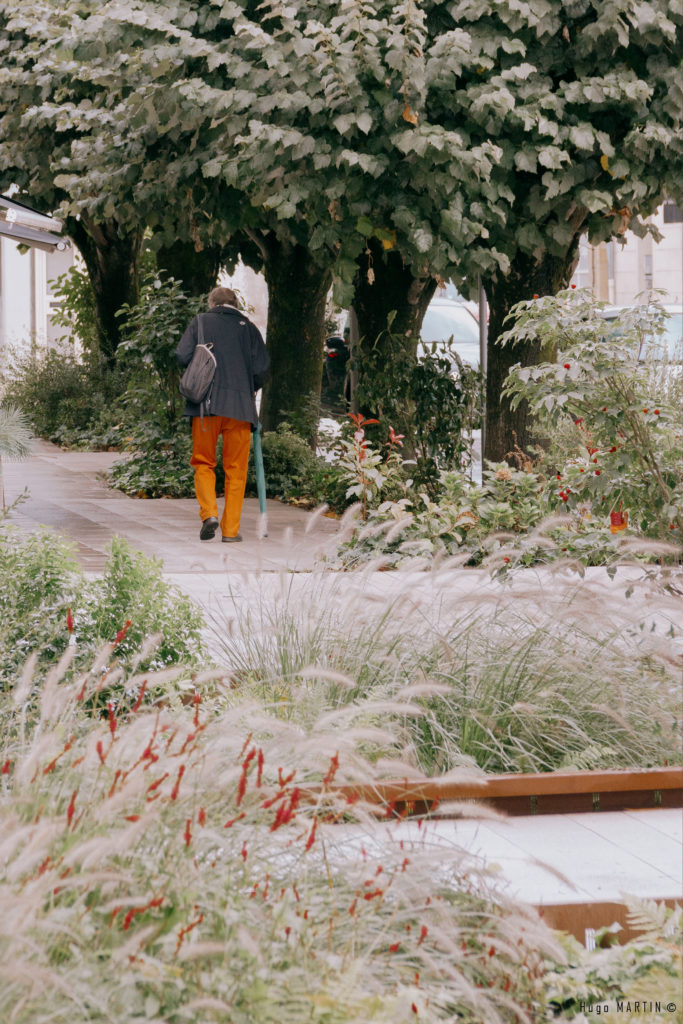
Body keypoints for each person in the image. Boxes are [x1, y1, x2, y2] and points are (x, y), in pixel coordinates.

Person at [176, 286, 270, 542]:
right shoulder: (249, 328)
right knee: (236, 470)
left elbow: (182, 356)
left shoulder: (201, 322)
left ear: (212, 303)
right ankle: (230, 531)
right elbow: (262, 369)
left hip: (206, 407)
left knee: (203, 462)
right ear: (235, 304)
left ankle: (209, 514)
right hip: (240, 410)